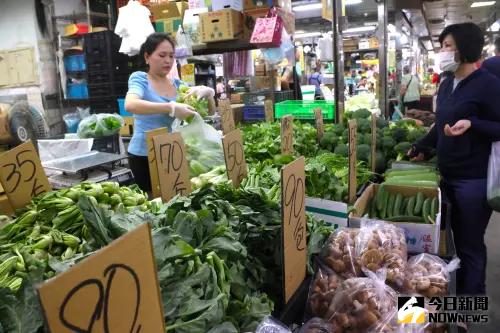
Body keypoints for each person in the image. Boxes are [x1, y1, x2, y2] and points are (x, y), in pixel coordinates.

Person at [408, 23, 500, 301]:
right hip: (445, 175)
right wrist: (423, 147)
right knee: (450, 242)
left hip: (473, 179)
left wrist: (472, 123)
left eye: (447, 46)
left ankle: (470, 306)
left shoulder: (488, 85)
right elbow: (440, 125)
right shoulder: (447, 83)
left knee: (469, 245)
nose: (442, 52)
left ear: (465, 49)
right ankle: (446, 300)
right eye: (442, 46)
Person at [125, 32, 215, 192]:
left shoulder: (177, 84)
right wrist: (171, 107)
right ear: (147, 57)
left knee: (174, 198)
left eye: (171, 56)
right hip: (145, 155)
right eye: (162, 55)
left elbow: (208, 113)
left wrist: (208, 93)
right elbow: (131, 104)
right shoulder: (140, 79)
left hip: (171, 152)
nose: (168, 61)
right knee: (153, 202)